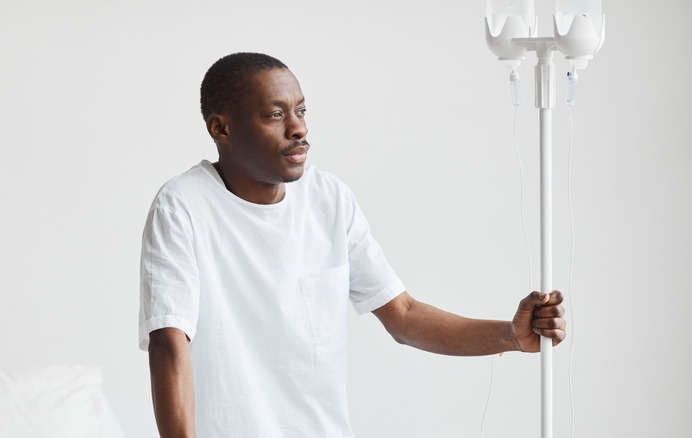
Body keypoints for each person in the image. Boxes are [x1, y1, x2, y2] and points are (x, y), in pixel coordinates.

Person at [138, 52, 565, 438]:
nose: (298, 127)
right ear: (221, 128)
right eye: (274, 114)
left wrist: (511, 335)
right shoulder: (182, 206)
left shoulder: (329, 198)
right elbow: (169, 342)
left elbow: (404, 316)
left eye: (301, 110)